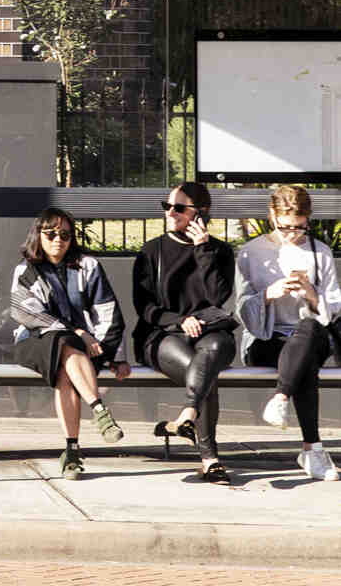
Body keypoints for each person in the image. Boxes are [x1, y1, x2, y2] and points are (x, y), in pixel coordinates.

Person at [8, 207, 128, 477]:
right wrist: (77, 332)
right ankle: (99, 409)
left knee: (65, 369)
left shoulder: (89, 266)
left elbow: (108, 311)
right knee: (62, 340)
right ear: (38, 235)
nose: (57, 240)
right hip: (35, 342)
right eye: (50, 234)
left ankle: (72, 451)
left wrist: (115, 356)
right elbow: (25, 311)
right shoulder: (26, 270)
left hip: (83, 350)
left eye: (65, 234)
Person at [132, 180, 238, 481]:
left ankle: (186, 416)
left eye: (178, 207)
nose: (170, 213)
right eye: (167, 206)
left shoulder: (219, 251)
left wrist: (202, 249)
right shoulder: (152, 251)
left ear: (200, 213)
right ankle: (209, 457)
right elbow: (145, 307)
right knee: (203, 371)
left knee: (214, 352)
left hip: (209, 333)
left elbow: (218, 297)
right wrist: (179, 321)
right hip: (162, 334)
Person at [236, 182, 341, 481]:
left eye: (299, 228)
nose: (292, 234)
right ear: (272, 216)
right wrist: (269, 293)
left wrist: (310, 293)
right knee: (303, 365)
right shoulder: (250, 253)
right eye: (285, 228)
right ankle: (313, 451)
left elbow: (331, 307)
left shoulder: (320, 252)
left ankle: (281, 398)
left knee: (307, 329)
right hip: (267, 338)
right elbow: (242, 310)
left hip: (310, 334)